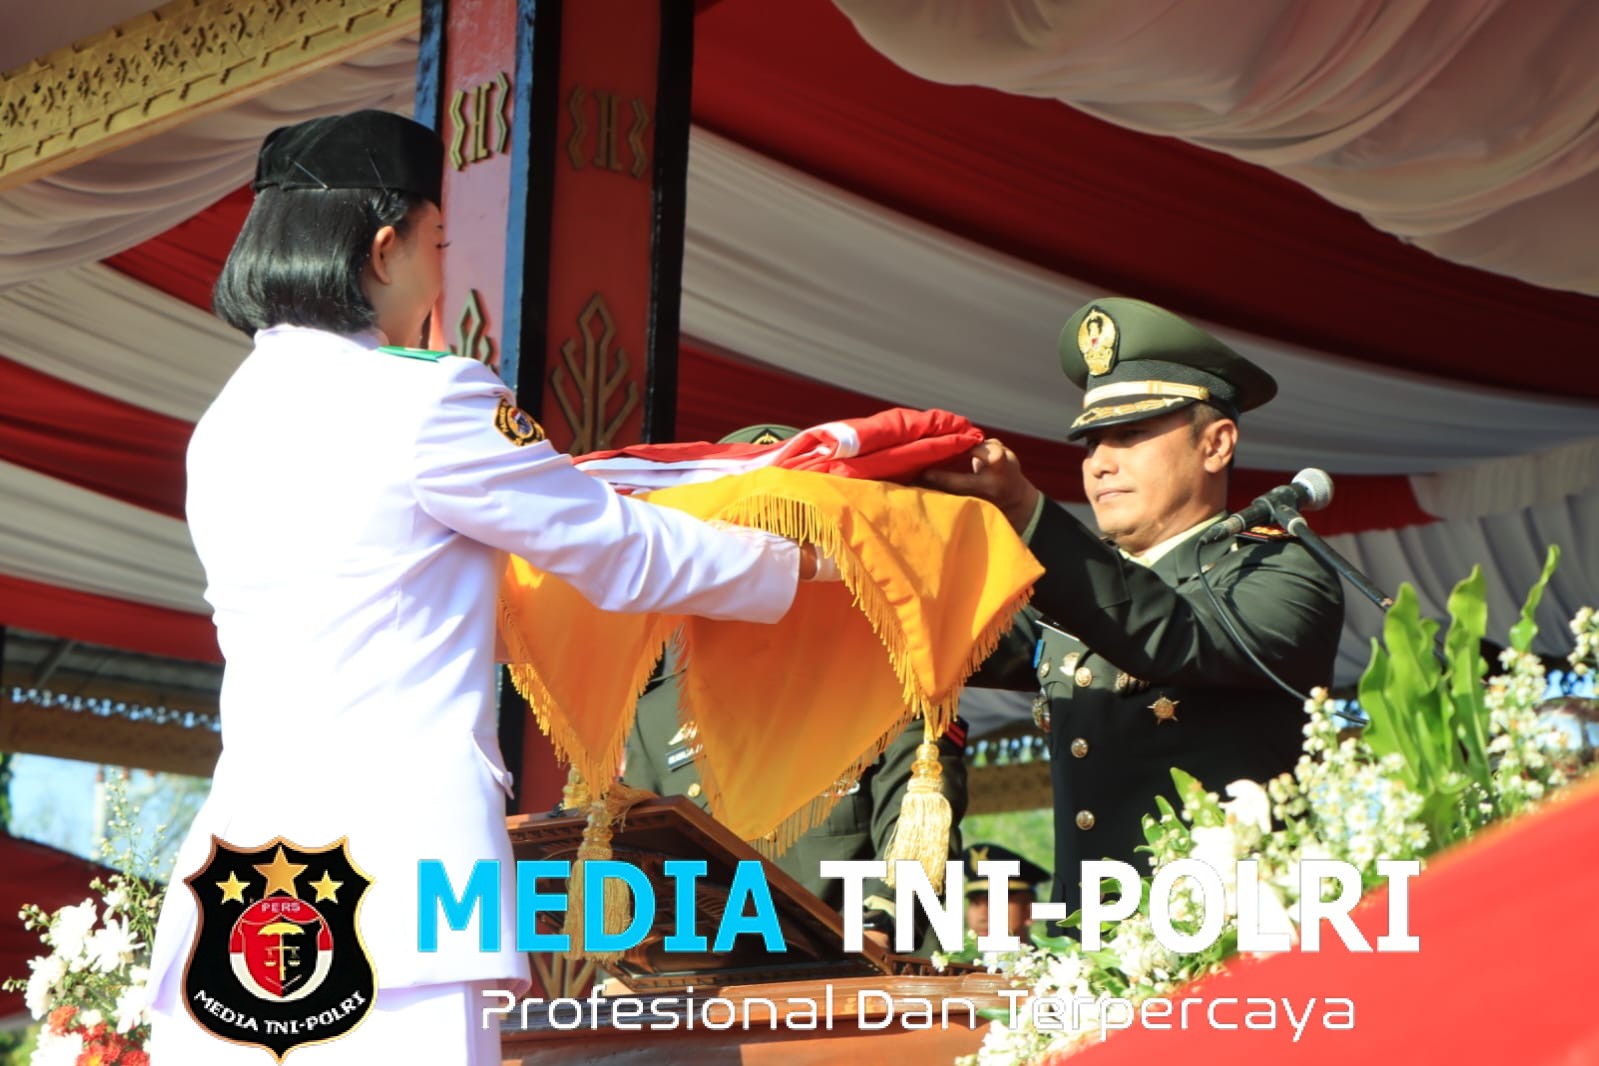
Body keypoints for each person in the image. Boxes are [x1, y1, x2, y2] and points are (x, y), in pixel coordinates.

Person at [145, 111, 832, 1064]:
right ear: (382, 250)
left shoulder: (222, 425)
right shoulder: (427, 400)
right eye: (438, 243)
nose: (440, 271)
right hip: (392, 883)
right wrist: (807, 566)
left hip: (246, 882)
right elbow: (617, 548)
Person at [926, 297, 1344, 921]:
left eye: (1130, 435)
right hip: (1090, 951)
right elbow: (936, 639)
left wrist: (1031, 519)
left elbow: (1176, 636)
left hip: (1227, 943)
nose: (1099, 462)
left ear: (1217, 444)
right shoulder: (1067, 583)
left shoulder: (1279, 566)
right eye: (1092, 442)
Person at [620, 423, 969, 955]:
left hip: (845, 984)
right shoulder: (654, 714)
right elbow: (632, 866)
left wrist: (876, 931)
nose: (764, 563)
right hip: (703, 990)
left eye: (785, 543)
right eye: (744, 543)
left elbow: (919, 838)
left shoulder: (895, 691)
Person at [961, 843, 1049, 946]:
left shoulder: (1061, 962)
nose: (982, 916)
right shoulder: (950, 963)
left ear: (1029, 911)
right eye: (975, 903)